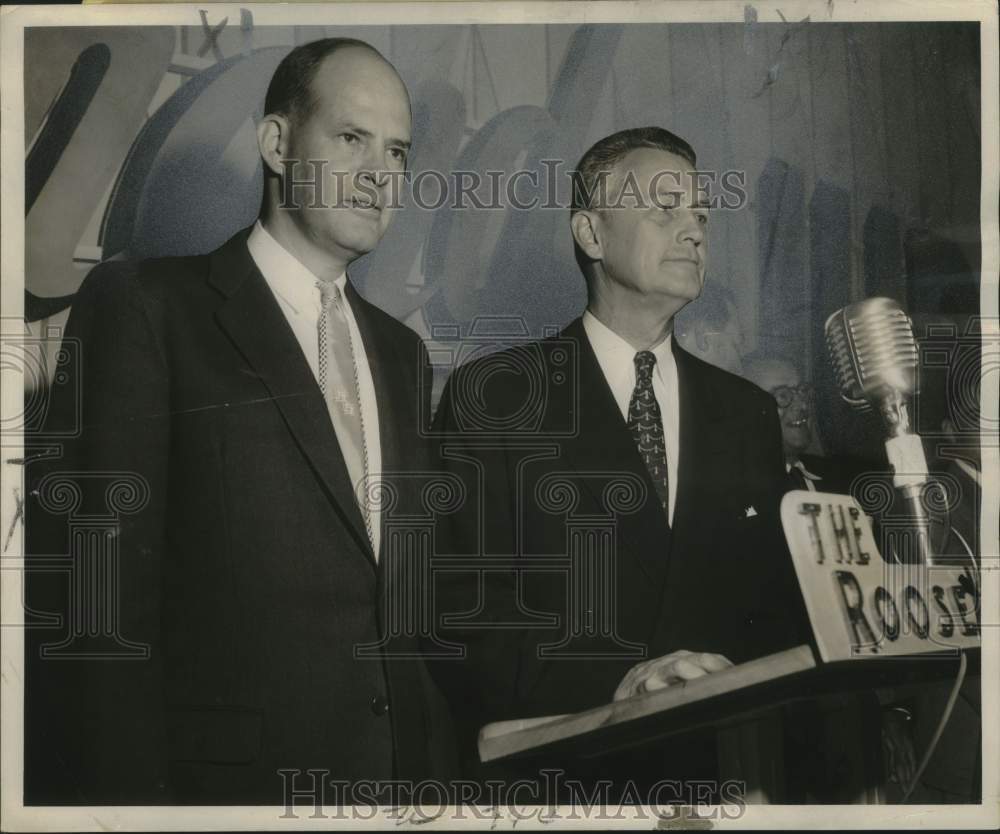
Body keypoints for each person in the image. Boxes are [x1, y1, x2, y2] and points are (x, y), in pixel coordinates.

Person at [25, 38, 452, 804]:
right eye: (350, 139)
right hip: (222, 795)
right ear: (278, 143)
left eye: (396, 151)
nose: (379, 176)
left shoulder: (403, 353)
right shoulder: (149, 309)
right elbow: (96, 611)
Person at [430, 127, 809, 788]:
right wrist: (623, 682)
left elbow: (772, 611)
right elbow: (461, 609)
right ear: (591, 234)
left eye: (699, 215)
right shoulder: (495, 398)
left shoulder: (746, 413)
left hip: (723, 773)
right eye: (664, 210)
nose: (694, 231)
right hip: (562, 777)